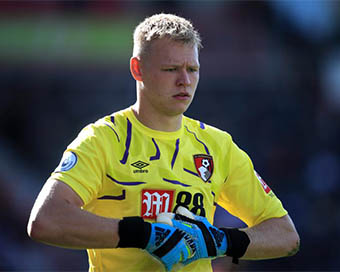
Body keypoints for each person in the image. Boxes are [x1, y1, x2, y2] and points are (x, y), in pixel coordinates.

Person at [27, 13, 300, 272]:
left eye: (192, 69)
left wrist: (220, 241)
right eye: (171, 69)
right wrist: (144, 234)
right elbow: (45, 220)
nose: (185, 81)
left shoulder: (218, 146)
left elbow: (286, 236)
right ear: (138, 69)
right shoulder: (102, 139)